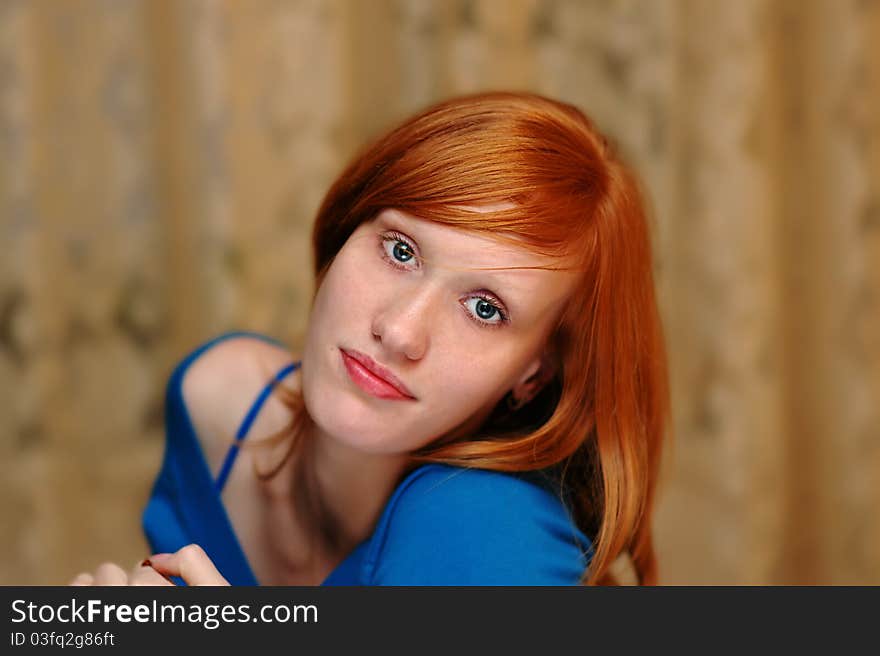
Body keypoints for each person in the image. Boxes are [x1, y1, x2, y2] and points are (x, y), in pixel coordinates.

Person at [69, 91, 670, 586]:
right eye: (401, 250)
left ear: (532, 374)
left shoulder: (490, 529)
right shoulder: (214, 398)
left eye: (485, 309)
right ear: (345, 229)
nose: (402, 330)